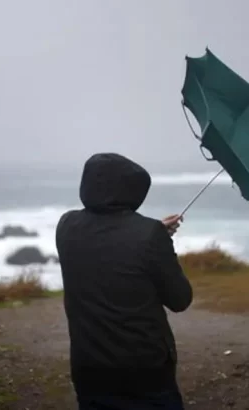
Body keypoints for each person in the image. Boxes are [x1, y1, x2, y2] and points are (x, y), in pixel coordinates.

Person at [55, 152, 193, 410]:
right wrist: (160, 242)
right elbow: (180, 299)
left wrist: (154, 236)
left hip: (88, 365)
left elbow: (108, 242)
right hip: (144, 370)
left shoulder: (66, 225)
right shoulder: (148, 235)